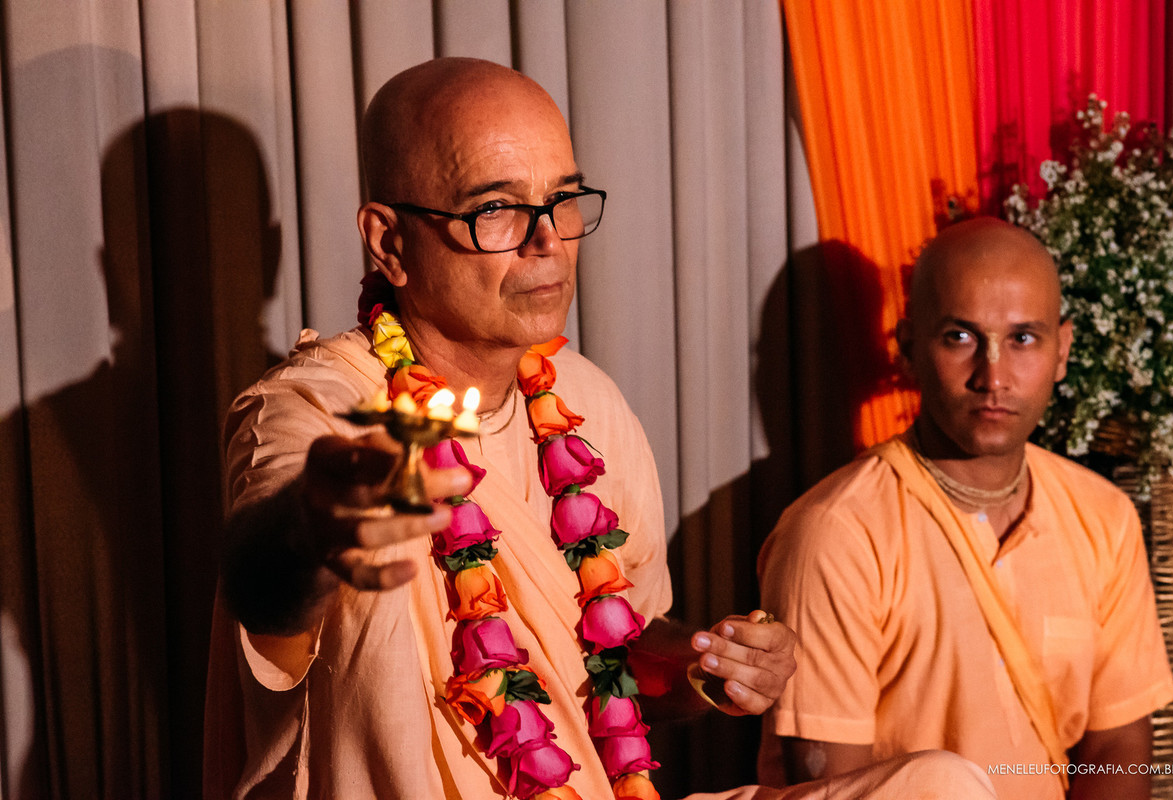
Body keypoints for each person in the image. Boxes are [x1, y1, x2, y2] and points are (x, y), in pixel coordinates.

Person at [203, 57, 996, 800]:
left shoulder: (586, 401)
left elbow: (624, 668)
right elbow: (264, 598)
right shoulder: (317, 411)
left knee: (944, 786)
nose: (549, 240)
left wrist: (701, 666)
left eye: (563, 200)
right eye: (498, 210)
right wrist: (316, 525)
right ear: (389, 243)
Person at [757, 217, 1173, 800]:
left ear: (1063, 350)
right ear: (907, 348)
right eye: (960, 337)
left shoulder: (1103, 516)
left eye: (1023, 338)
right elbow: (832, 787)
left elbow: (1118, 750)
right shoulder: (837, 532)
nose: (993, 376)